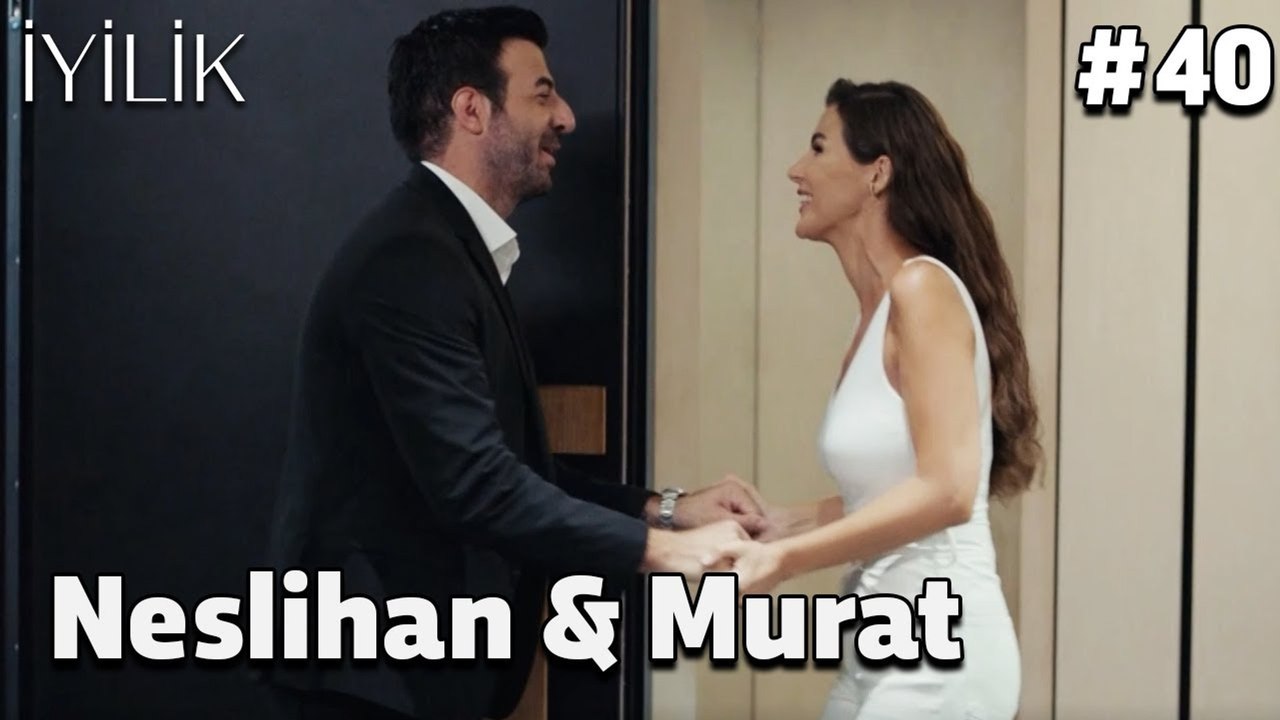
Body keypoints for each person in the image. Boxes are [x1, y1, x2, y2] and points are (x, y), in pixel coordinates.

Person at [261, 7, 766, 720]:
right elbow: (477, 487)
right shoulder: (412, 260)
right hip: (371, 671)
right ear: (472, 110)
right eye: (541, 94)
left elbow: (512, 469)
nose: (565, 117)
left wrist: (671, 509)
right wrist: (667, 551)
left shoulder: (447, 247)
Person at [717, 80, 1043, 719]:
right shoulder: (875, 314)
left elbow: (949, 491)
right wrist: (785, 522)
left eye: (818, 148)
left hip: (944, 655)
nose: (797, 170)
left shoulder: (923, 288)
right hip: (880, 649)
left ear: (878, 174)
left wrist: (783, 560)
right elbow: (891, 492)